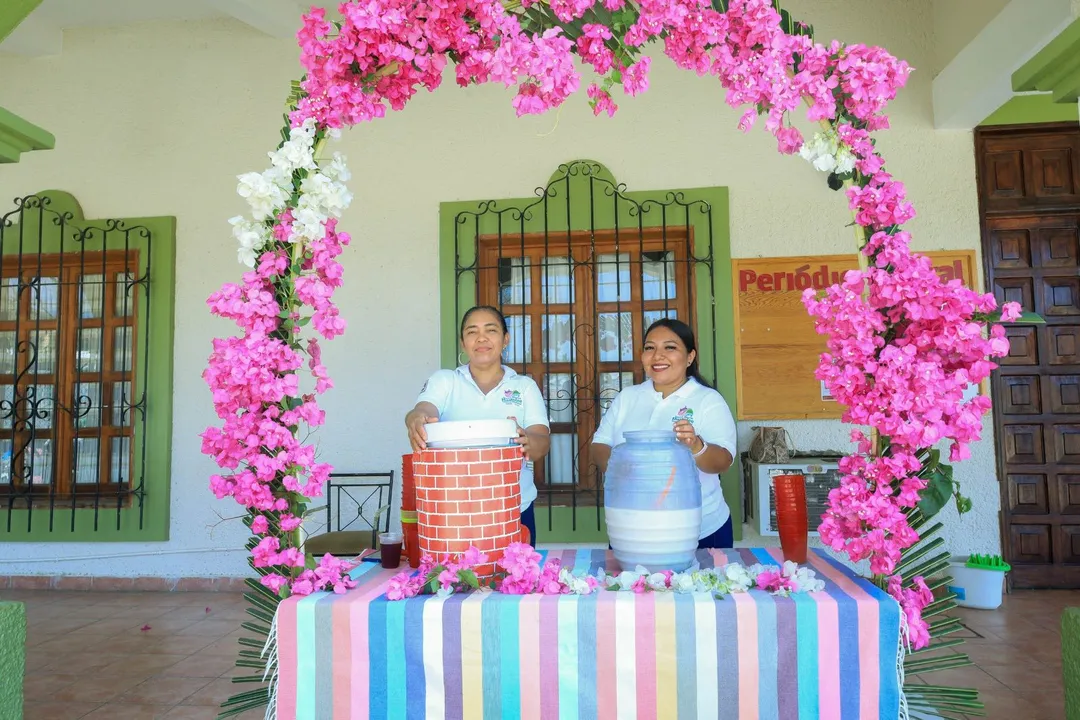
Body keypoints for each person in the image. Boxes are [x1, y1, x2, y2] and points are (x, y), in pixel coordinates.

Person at [405, 305, 551, 545]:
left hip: (514, 508)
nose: (481, 338)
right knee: (455, 582)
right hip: (452, 511)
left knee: (514, 582)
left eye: (490, 330)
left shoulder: (524, 386)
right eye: (472, 332)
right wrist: (416, 419)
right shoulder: (445, 380)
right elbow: (423, 410)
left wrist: (529, 442)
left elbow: (541, 440)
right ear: (463, 343)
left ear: (505, 339)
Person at [590, 318, 737, 548]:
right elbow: (600, 444)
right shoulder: (628, 397)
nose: (658, 356)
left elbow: (723, 462)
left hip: (699, 531)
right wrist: (620, 469)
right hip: (631, 530)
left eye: (670, 347)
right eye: (650, 348)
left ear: (690, 357)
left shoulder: (708, 400)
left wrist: (697, 446)